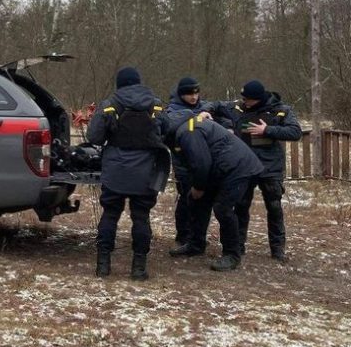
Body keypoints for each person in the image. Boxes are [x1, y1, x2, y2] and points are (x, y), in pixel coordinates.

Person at [87, 67, 170, 281]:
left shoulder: (109, 104)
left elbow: (94, 137)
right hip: (145, 171)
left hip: (115, 170)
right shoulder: (156, 104)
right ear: (138, 82)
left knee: (110, 215)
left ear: (119, 84)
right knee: (141, 217)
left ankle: (103, 266)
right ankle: (138, 268)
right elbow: (167, 130)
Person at [211, 80, 302, 261]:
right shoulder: (237, 107)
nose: (246, 102)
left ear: (260, 98)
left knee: (274, 207)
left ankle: (277, 249)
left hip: (270, 167)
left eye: (250, 100)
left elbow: (295, 132)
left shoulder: (280, 110)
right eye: (244, 98)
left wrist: (267, 129)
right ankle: (238, 245)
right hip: (244, 166)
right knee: (241, 206)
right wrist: (210, 114)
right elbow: (215, 105)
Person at [166, 113, 263, 271]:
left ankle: (232, 254)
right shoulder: (184, 128)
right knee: (197, 201)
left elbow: (201, 163)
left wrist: (199, 187)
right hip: (220, 168)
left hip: (238, 168)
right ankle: (196, 244)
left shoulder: (188, 132)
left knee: (222, 208)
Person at [165, 76, 210, 247]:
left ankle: (197, 235)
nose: (194, 97)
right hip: (182, 160)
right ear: (181, 94)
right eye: (189, 94)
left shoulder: (203, 106)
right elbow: (170, 125)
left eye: (196, 93)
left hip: (202, 157)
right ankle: (183, 234)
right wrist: (197, 116)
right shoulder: (172, 109)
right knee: (186, 197)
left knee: (201, 200)